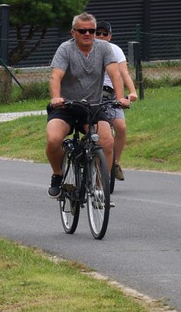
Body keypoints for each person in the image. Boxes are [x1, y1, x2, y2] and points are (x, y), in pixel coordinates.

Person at [45, 13, 125, 197]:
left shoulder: (104, 48)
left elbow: (115, 75)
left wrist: (120, 98)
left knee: (107, 142)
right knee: (53, 140)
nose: (87, 34)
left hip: (93, 107)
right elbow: (55, 76)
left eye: (92, 30)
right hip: (66, 107)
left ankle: (99, 186)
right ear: (73, 32)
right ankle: (57, 174)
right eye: (82, 31)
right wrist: (56, 98)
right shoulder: (65, 49)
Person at [95, 21, 138, 181]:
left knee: (121, 127)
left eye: (104, 34)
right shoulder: (88, 50)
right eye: (97, 33)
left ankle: (115, 163)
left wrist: (132, 92)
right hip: (92, 93)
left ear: (110, 36)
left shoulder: (115, 51)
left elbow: (123, 74)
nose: (100, 36)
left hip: (111, 94)